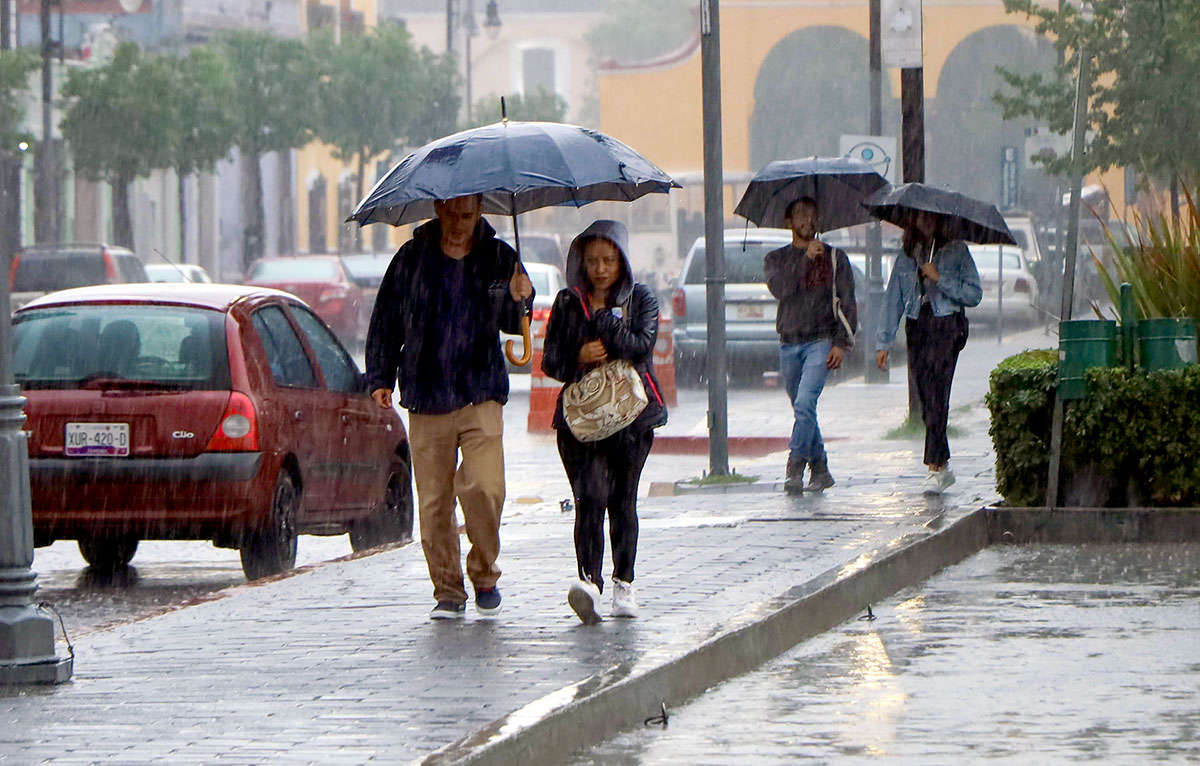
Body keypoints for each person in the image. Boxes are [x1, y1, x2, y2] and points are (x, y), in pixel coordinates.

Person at [366, 194, 533, 620]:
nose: (460, 224)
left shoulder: (499, 256)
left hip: (480, 391)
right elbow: (386, 318)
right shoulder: (412, 258)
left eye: (468, 215)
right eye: (453, 214)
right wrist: (381, 377)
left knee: (485, 487)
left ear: (479, 213)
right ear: (438, 210)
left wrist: (520, 299)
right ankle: (447, 590)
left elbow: (516, 325)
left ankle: (483, 571)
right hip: (427, 393)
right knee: (435, 502)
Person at [541, 220, 667, 625]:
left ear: (622, 261)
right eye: (592, 260)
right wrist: (578, 355)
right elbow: (550, 362)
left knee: (622, 501)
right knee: (589, 498)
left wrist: (606, 322)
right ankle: (589, 584)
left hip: (631, 420)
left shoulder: (641, 299)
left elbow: (641, 348)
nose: (599, 269)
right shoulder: (566, 302)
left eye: (608, 260)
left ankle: (623, 583)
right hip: (581, 423)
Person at [875, 210, 982, 495]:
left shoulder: (956, 251)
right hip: (917, 326)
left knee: (938, 394)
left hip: (947, 326)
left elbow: (974, 294)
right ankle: (942, 462)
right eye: (919, 218)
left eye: (930, 218)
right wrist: (883, 342)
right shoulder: (907, 255)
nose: (925, 223)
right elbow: (893, 298)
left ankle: (934, 465)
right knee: (925, 395)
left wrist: (941, 278)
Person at [763, 196, 857, 494]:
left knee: (805, 403)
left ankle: (795, 466)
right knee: (802, 411)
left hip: (821, 341)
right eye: (801, 215)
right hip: (789, 342)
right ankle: (821, 468)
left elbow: (848, 301)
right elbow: (781, 289)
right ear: (789, 222)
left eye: (812, 215)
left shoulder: (835, 258)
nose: (807, 221)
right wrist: (804, 261)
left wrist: (841, 344)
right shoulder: (776, 259)